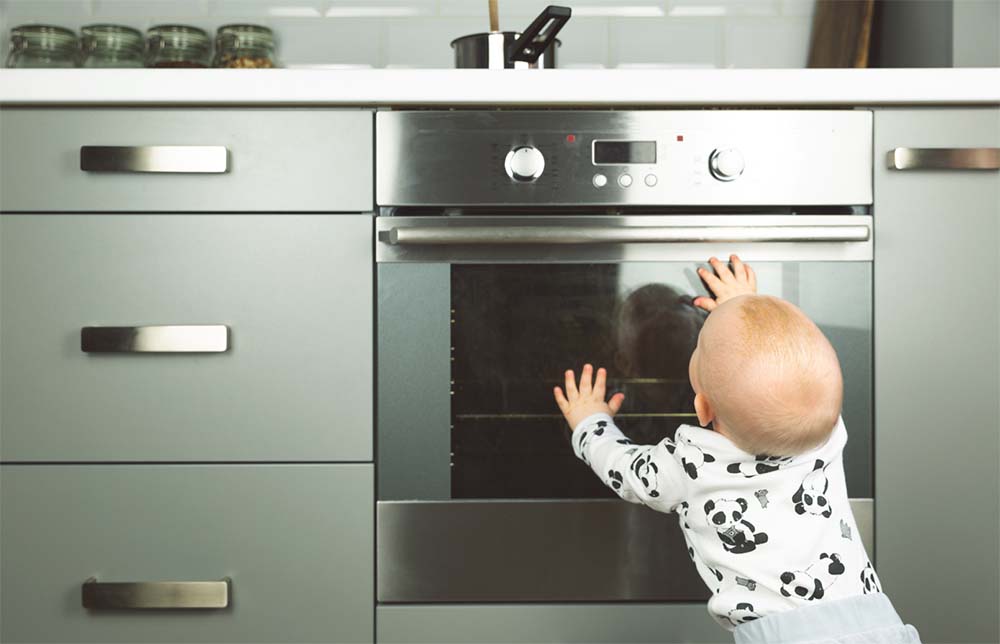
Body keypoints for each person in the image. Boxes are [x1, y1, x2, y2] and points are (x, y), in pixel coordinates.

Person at [553, 255, 920, 643]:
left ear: (703, 408)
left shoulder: (689, 462)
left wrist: (590, 422)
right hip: (875, 622)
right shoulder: (826, 434)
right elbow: (787, 370)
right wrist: (743, 306)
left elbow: (624, 469)